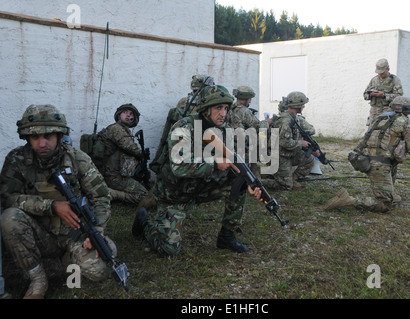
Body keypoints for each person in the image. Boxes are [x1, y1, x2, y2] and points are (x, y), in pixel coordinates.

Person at [0, 104, 115, 299]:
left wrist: (97, 231)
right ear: (27, 138)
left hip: (74, 234)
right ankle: (38, 279)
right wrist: (51, 207)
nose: (42, 143)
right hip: (38, 234)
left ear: (60, 136)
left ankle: (56, 266)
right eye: (35, 137)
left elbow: (101, 196)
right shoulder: (17, 160)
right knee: (10, 217)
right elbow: (7, 198)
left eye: (48, 137)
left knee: (101, 267)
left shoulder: (77, 158)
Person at [132, 85, 263, 255]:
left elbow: (233, 164)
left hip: (200, 188)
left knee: (239, 183)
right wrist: (215, 162)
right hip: (174, 195)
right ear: (205, 109)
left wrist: (248, 183)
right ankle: (144, 222)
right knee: (169, 250)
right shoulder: (183, 127)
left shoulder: (225, 130)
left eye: (225, 108)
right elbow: (180, 167)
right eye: (218, 108)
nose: (223, 113)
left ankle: (227, 236)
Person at [325, 97, 410, 213]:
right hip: (380, 165)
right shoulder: (406, 123)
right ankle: (348, 200)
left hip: (367, 160)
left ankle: (390, 194)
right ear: (409, 110)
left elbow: (363, 142)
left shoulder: (380, 118)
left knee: (394, 196)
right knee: (385, 205)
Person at [261, 91, 320, 190]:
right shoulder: (285, 121)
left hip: (288, 153)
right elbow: (284, 142)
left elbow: (310, 130)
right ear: (298, 105)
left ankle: (291, 179)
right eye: (302, 105)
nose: (303, 107)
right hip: (278, 156)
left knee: (309, 159)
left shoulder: (294, 118)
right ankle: (257, 182)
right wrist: (301, 143)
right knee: (286, 187)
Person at [97, 103, 149, 205]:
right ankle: (112, 194)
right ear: (119, 115)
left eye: (131, 114)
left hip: (118, 174)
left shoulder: (126, 131)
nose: (128, 115)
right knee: (144, 196)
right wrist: (141, 154)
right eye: (125, 112)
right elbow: (128, 146)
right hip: (113, 177)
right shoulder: (116, 128)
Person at [227, 86, 261, 178]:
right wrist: (267, 122)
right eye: (249, 99)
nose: (250, 102)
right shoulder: (245, 111)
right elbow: (258, 126)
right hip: (243, 146)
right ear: (246, 99)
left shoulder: (230, 109)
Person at [363, 58, 404, 126]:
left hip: (388, 112)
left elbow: (399, 97)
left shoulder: (394, 80)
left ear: (388, 69)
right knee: (372, 134)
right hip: (374, 113)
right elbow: (365, 95)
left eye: (382, 72)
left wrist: (384, 95)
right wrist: (370, 94)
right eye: (378, 72)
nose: (380, 74)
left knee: (386, 134)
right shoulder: (374, 80)